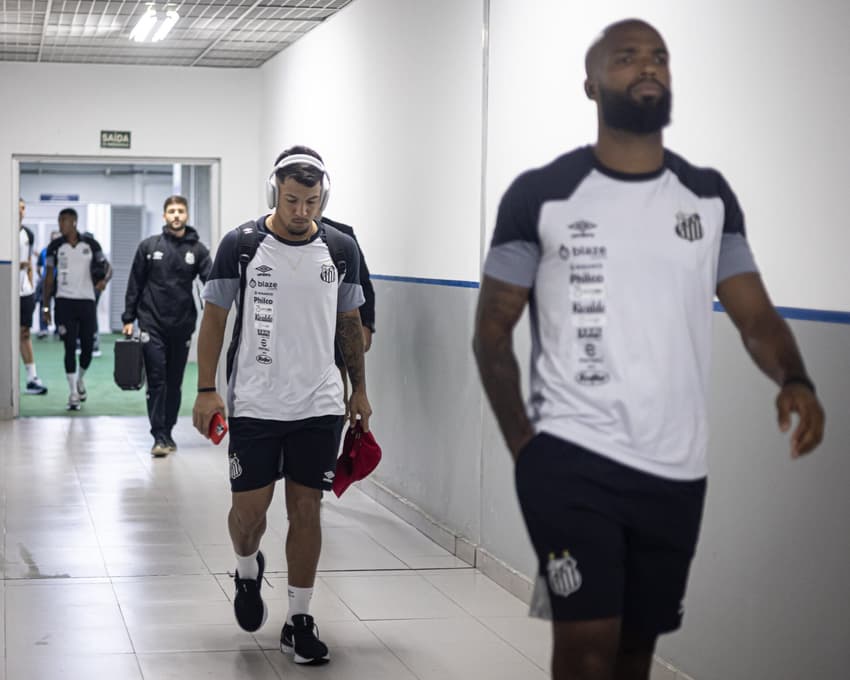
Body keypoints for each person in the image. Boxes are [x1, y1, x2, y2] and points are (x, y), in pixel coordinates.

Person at [472, 19, 825, 680]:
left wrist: (795, 377)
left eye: (659, 56)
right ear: (591, 83)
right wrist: (527, 446)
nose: (648, 67)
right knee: (585, 646)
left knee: (637, 649)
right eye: (627, 56)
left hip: (677, 469)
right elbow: (492, 331)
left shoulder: (708, 196)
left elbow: (754, 314)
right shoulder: (541, 195)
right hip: (572, 458)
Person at [192, 146, 371, 666]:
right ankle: (247, 570)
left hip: (319, 404)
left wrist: (358, 391)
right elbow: (214, 319)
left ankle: (299, 619)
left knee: (306, 510)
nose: (300, 212)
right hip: (254, 403)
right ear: (276, 192)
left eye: (310, 201)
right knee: (249, 515)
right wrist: (207, 389)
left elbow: (350, 325)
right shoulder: (241, 247)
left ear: (323, 197)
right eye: (291, 200)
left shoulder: (340, 249)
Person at [122, 195, 212, 456]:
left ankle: (168, 432)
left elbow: (212, 283)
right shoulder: (149, 247)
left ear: (186, 215)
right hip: (152, 324)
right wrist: (128, 319)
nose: (176, 215)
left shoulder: (197, 250)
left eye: (180, 211)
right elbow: (135, 284)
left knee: (174, 383)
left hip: (182, 326)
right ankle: (159, 435)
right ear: (164, 216)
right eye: (171, 211)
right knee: (157, 381)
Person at [43, 208, 111, 411]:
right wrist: (46, 306)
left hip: (87, 302)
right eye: (59, 220)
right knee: (69, 346)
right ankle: (73, 393)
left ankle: (80, 378)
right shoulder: (54, 247)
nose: (60, 224)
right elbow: (48, 277)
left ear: (74, 222)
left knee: (88, 348)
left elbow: (107, 268)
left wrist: (103, 282)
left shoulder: (91, 244)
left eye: (64, 220)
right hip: (64, 302)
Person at [18, 198, 47, 395]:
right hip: (6, 292)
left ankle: (31, 378)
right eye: (18, 208)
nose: (21, 211)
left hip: (24, 292)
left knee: (25, 334)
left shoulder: (27, 233)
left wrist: (28, 281)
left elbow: (28, 261)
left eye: (23, 208)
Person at [34, 230, 60, 339]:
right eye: (53, 239)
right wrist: (42, 277)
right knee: (44, 306)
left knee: (59, 306)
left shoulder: (63, 251)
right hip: (46, 283)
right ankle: (43, 329)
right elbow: (38, 267)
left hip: (59, 283)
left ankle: (58, 329)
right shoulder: (45, 251)